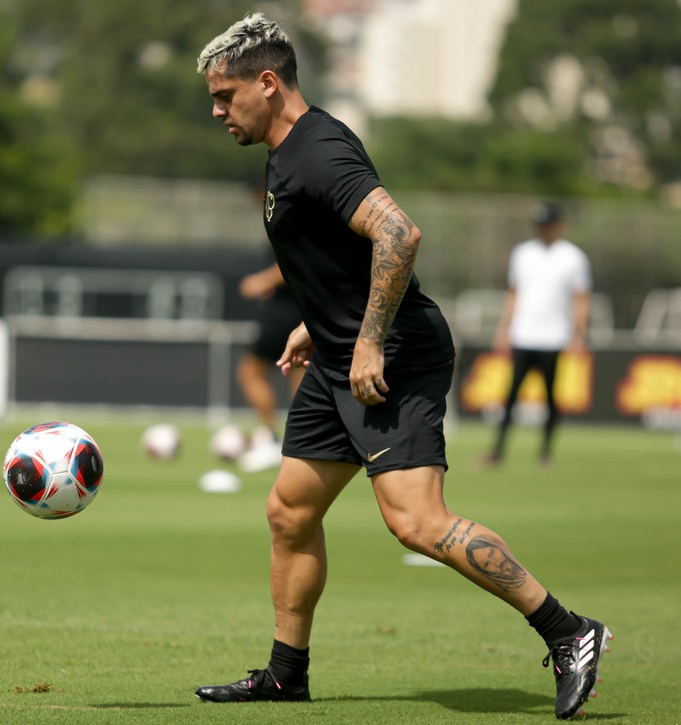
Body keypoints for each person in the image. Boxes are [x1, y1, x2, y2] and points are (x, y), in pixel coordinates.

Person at [193, 13, 611, 720]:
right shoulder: (286, 148)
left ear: (269, 83)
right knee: (290, 511)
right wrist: (317, 323)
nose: (216, 109)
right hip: (336, 357)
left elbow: (399, 232)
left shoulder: (317, 150)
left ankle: (570, 632)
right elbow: (339, 254)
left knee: (418, 523)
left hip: (391, 358)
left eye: (225, 94)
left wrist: (367, 339)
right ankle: (285, 673)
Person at [485, 203, 592, 467]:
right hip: (523, 334)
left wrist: (578, 335)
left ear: (558, 225)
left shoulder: (573, 257)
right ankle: (497, 451)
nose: (542, 229)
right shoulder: (522, 253)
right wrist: (504, 329)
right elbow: (514, 294)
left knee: (550, 397)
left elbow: (581, 299)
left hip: (554, 337)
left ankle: (545, 453)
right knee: (510, 397)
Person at [235, 260, 305, 473]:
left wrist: (261, 281)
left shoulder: (289, 225)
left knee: (250, 372)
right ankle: (301, 443)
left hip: (284, 311)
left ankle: (272, 439)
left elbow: (296, 258)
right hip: (309, 307)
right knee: (301, 373)